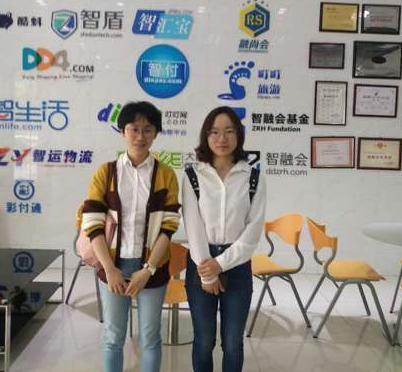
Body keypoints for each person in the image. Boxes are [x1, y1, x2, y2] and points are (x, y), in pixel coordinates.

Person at [79, 101, 181, 372]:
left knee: (150, 337)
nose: (140, 136)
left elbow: (168, 227)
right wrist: (109, 269)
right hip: (113, 265)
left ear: (156, 133)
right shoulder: (106, 173)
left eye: (148, 129)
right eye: (133, 129)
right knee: (113, 337)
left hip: (152, 267)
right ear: (123, 131)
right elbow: (93, 224)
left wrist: (148, 269)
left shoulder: (166, 175)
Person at [182, 106, 266, 372]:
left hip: (237, 265)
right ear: (206, 136)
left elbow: (253, 230)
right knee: (204, 341)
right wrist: (208, 273)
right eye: (215, 132)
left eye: (229, 131)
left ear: (238, 135)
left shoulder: (253, 177)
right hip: (201, 262)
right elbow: (193, 225)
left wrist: (221, 264)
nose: (222, 138)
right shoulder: (193, 175)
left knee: (232, 343)